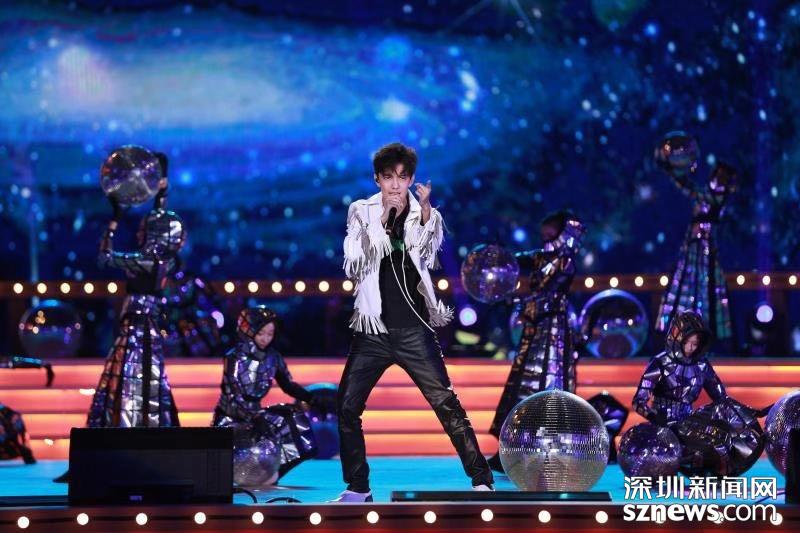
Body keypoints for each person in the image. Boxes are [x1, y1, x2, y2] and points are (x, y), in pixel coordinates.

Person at [334, 142, 493, 502]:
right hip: (373, 331)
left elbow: (427, 252)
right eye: (388, 177)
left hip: (414, 329)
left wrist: (423, 215)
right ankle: (358, 488)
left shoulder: (425, 213)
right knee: (346, 406)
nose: (395, 185)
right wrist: (382, 223)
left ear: (411, 179)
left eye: (402, 177)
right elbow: (353, 260)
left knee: (445, 403)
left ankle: (482, 479)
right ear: (377, 179)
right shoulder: (361, 211)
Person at [86, 154, 185, 428]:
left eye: (145, 230)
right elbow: (160, 219)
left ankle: (128, 428)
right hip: (144, 322)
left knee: (129, 376)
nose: (140, 232)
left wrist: (114, 221)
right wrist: (161, 191)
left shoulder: (147, 261)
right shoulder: (164, 259)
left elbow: (105, 257)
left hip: (137, 326)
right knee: (145, 376)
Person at [487, 211, 584, 472]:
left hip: (554, 331)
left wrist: (521, 302)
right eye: (544, 232)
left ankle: (545, 451)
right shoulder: (541, 256)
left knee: (548, 384)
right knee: (520, 384)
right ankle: (509, 450)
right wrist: (501, 255)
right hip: (535, 329)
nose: (546, 236)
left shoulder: (565, 262)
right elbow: (518, 260)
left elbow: (548, 291)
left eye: (551, 231)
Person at [212, 306, 319, 481]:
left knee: (296, 421)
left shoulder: (273, 357)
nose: (265, 338)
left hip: (256, 413)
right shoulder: (234, 357)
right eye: (261, 333)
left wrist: (312, 398)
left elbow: (287, 385)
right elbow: (233, 393)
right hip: (230, 417)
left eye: (270, 334)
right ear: (248, 331)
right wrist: (254, 417)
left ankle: (273, 474)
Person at [655, 161, 736, 342]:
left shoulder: (717, 197)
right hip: (692, 250)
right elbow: (692, 190)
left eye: (722, 177)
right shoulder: (707, 194)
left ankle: (707, 336)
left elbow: (692, 190)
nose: (718, 179)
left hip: (707, 252)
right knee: (683, 287)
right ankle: (678, 333)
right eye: (717, 175)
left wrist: (676, 175)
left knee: (710, 291)